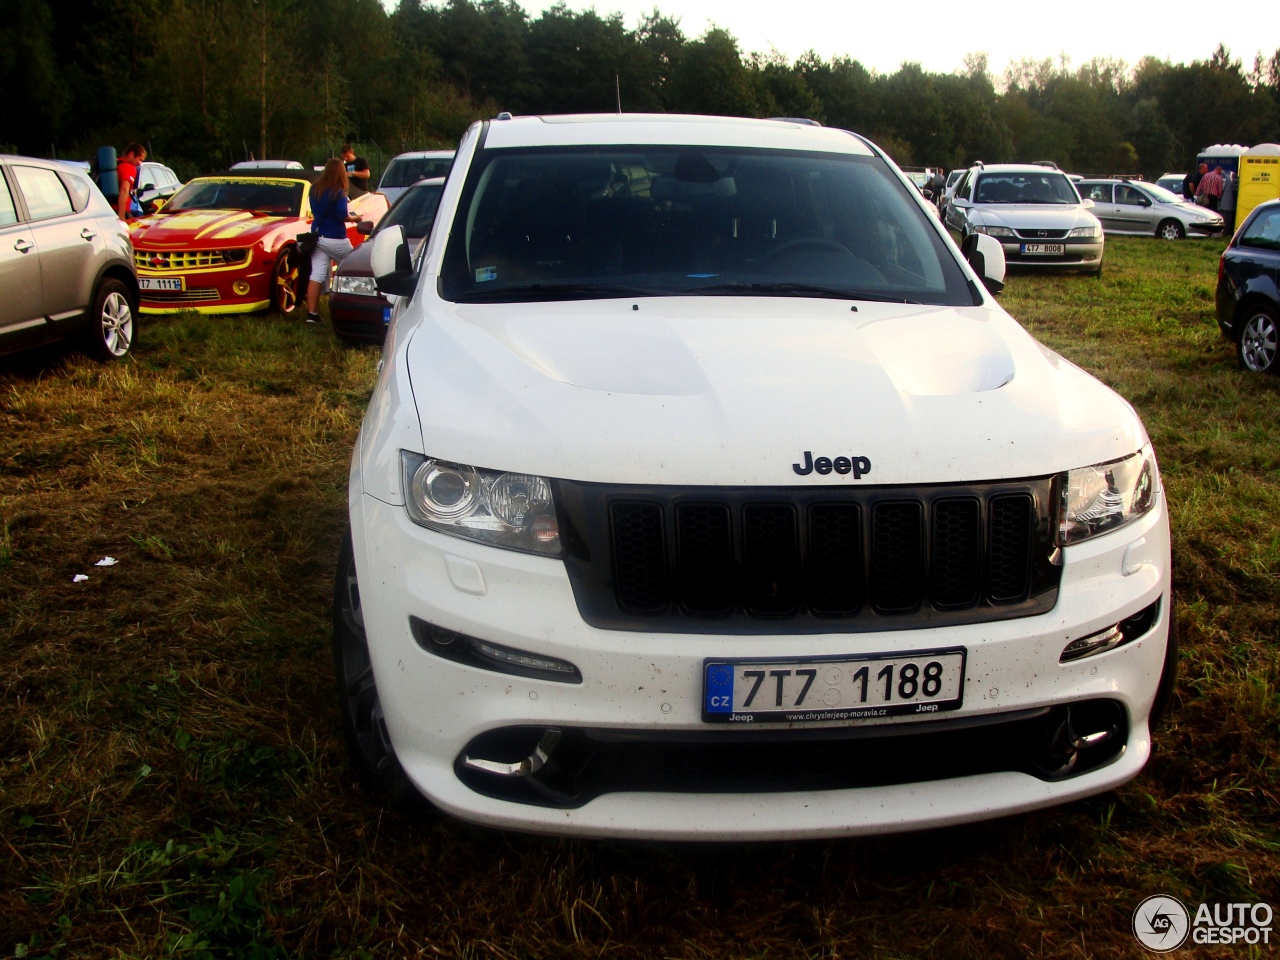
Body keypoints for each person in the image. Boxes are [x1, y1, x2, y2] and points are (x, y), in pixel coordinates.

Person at [305, 158, 360, 324]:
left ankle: (312, 313)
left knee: (316, 275)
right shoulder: (339, 191)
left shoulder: (315, 188)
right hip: (336, 238)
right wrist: (355, 218)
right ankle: (354, 309)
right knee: (354, 269)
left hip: (317, 236)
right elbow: (341, 215)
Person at [116, 142, 146, 221]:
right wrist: (122, 214)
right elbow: (124, 190)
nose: (140, 163)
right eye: (140, 159)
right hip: (121, 210)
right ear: (131, 154)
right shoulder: (129, 167)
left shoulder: (117, 163)